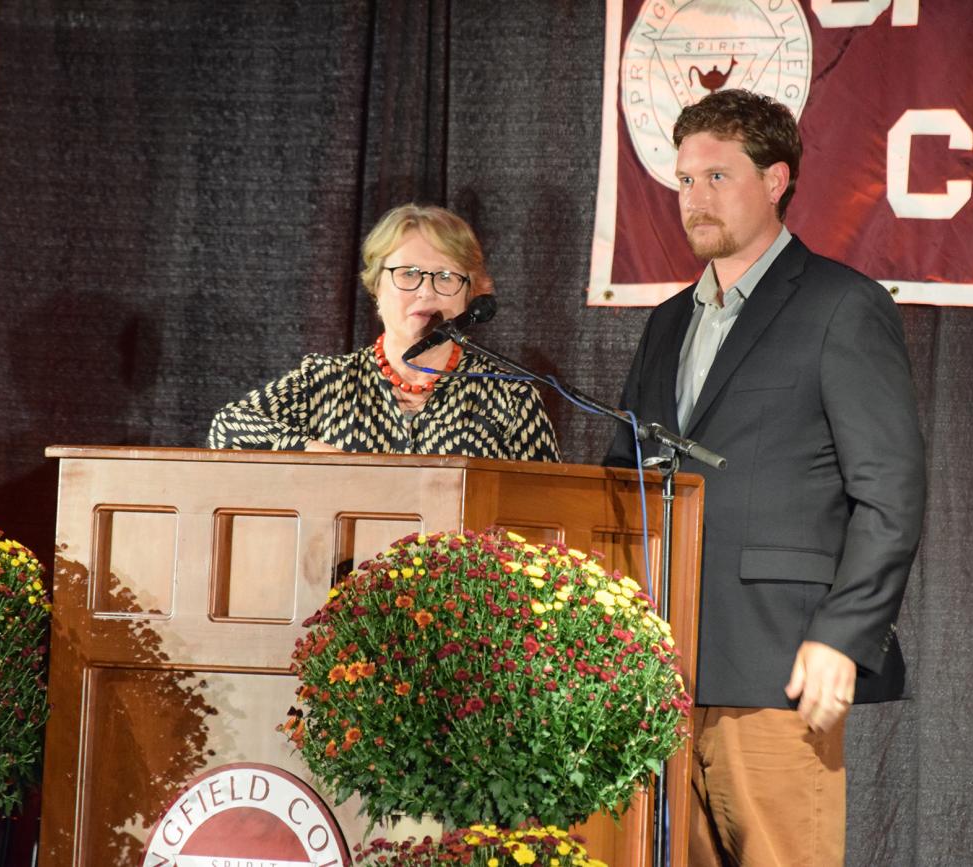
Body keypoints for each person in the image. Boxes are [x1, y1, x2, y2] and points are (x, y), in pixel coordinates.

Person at [604, 90, 926, 866]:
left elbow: (890, 492)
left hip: (777, 667)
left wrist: (842, 636)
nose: (694, 199)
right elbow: (623, 477)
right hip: (656, 675)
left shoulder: (840, 306)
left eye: (717, 178)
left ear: (776, 179)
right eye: (684, 181)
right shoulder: (668, 321)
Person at [209, 203, 560, 462]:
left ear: (471, 294)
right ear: (377, 286)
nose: (426, 291)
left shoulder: (510, 397)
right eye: (408, 274)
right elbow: (225, 429)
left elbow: (547, 504)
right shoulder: (326, 381)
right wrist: (316, 454)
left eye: (446, 277)